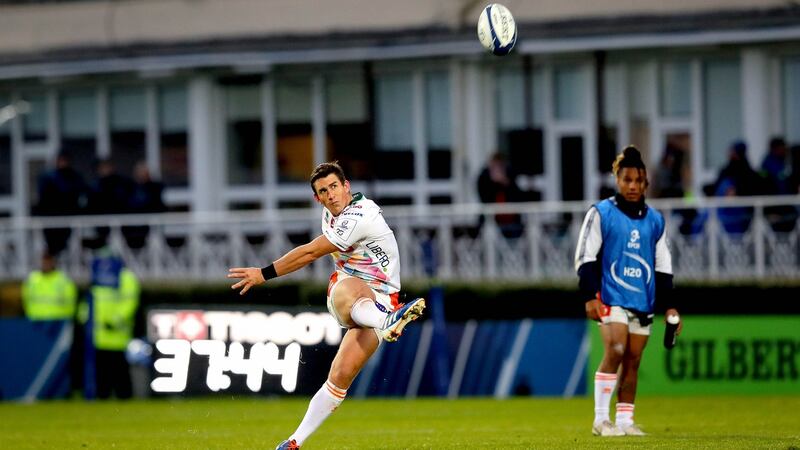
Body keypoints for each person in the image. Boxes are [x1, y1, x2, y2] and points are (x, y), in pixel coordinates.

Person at [228, 161, 426, 450]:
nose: (331, 195)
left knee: (339, 377)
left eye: (334, 186)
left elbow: (310, 253)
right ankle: (386, 320)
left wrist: (263, 273)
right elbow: (314, 252)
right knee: (350, 287)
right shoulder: (330, 213)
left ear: (347, 187)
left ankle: (294, 442)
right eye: (323, 191)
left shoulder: (359, 214)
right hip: (352, 295)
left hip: (383, 301)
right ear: (317, 198)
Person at [574, 146, 681, 437]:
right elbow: (585, 256)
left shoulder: (655, 220)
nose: (632, 186)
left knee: (633, 360)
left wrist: (670, 306)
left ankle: (624, 421)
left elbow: (663, 266)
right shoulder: (601, 213)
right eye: (627, 180)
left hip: (642, 299)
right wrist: (589, 296)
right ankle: (600, 420)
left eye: (638, 181)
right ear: (617, 180)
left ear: (646, 183)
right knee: (617, 348)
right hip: (610, 295)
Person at [81, 247, 140, 399]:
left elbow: (130, 303)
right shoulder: (97, 277)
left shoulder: (126, 277)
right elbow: (90, 302)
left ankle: (124, 397)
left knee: (120, 369)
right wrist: (84, 317)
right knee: (102, 371)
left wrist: (115, 320)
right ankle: (103, 397)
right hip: (99, 335)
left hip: (117, 333)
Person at [35, 151, 88, 255]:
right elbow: (43, 199)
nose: (63, 163)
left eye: (65, 161)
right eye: (61, 161)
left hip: (69, 217)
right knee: (52, 246)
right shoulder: (49, 177)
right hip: (51, 218)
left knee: (68, 246)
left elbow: (81, 194)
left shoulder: (75, 177)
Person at [477, 152, 525, 238]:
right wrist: (493, 182)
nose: (497, 170)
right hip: (491, 220)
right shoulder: (483, 177)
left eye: (500, 166)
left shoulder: (511, 175)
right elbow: (484, 199)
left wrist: (505, 182)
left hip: (510, 219)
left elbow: (518, 197)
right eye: (494, 166)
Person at [21, 252, 77, 321]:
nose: (46, 264)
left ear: (53, 262)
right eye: (44, 262)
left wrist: (67, 317)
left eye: (48, 262)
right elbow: (26, 300)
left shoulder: (64, 280)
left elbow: (71, 302)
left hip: (59, 321)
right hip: (36, 321)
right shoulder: (32, 280)